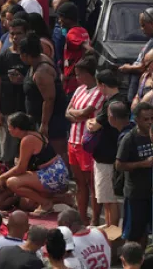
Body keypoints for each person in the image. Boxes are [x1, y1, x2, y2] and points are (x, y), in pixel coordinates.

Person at [0, 112, 69, 215]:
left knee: (12, 182)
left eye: (9, 127)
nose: (8, 130)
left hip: (54, 175)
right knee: (26, 204)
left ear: (17, 128)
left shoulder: (28, 139)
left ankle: (46, 203)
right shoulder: (33, 134)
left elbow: (21, 168)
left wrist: (2, 177)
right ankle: (62, 198)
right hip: (53, 173)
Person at [65, 57, 104, 224]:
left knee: (92, 183)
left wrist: (76, 114)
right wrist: (77, 114)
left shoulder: (99, 91)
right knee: (79, 183)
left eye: (79, 74)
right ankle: (81, 218)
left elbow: (84, 113)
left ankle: (95, 220)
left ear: (88, 74)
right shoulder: (79, 89)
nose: (76, 78)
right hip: (72, 141)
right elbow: (67, 112)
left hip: (87, 143)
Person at [85, 72, 127, 227]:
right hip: (110, 155)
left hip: (106, 158)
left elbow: (93, 125)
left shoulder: (112, 104)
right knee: (108, 199)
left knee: (109, 200)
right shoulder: (122, 99)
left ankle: (112, 234)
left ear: (102, 85)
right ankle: (110, 231)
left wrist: (90, 122)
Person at [116, 101, 153, 247]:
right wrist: (143, 164)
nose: (150, 122)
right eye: (146, 119)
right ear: (137, 120)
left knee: (150, 231)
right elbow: (119, 165)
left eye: (152, 118)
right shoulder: (129, 138)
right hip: (136, 194)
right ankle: (131, 257)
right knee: (134, 234)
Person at [20, 34, 68, 160]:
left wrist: (44, 124)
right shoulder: (37, 62)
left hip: (52, 120)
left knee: (57, 152)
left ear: (26, 55)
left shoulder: (42, 72)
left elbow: (49, 99)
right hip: (38, 117)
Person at [0, 18, 30, 165]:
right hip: (6, 109)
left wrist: (23, 81)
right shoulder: (2, 57)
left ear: (26, 34)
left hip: (25, 110)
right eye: (12, 34)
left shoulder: (29, 58)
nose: (15, 37)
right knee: (5, 154)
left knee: (24, 153)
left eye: (19, 33)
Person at [120, 7, 153, 105]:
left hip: (146, 91)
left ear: (152, 23)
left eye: (143, 25)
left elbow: (143, 67)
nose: (142, 29)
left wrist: (127, 68)